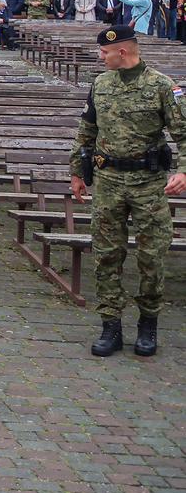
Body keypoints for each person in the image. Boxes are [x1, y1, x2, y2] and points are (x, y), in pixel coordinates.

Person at [71, 25, 186, 358]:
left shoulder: (162, 86)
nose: (100, 57)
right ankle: (111, 325)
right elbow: (86, 131)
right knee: (107, 254)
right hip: (108, 182)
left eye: (104, 52)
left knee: (152, 256)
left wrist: (183, 171)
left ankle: (148, 325)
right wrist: (78, 172)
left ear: (122, 52)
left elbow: (184, 133)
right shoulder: (100, 85)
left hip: (148, 184)